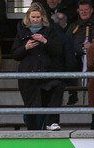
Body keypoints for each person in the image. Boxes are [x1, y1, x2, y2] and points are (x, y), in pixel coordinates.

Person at [12, 3, 66, 131]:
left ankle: (51, 122)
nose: (35, 19)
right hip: (28, 76)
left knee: (57, 87)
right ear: (28, 17)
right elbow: (15, 54)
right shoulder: (22, 31)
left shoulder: (50, 30)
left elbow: (58, 51)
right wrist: (26, 47)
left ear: (43, 17)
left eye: (38, 17)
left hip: (47, 73)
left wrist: (45, 41)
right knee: (31, 109)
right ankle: (32, 132)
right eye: (33, 17)